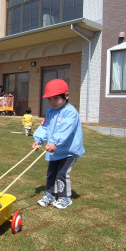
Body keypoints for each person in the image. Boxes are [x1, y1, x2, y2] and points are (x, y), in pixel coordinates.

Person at [32, 79, 84, 209]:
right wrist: (39, 139)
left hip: (68, 151)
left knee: (62, 173)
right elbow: (45, 127)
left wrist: (55, 142)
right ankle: (49, 194)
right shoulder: (50, 112)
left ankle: (64, 197)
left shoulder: (70, 112)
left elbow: (65, 129)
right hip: (54, 151)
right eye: (50, 99)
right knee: (51, 173)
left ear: (66, 96)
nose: (53, 102)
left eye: (56, 98)